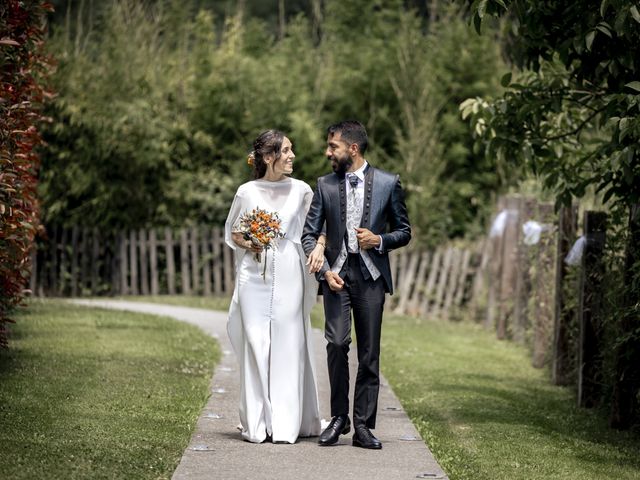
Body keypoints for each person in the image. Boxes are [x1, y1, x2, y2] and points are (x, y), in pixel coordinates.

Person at [302, 120, 411, 449]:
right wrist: (323, 273)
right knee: (336, 344)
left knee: (369, 353)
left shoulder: (389, 183)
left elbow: (404, 231)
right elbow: (309, 234)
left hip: (371, 278)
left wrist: (378, 239)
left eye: (332, 146)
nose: (327, 152)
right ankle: (339, 418)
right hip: (336, 277)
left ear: (353, 148)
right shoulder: (325, 185)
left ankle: (363, 425)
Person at [225, 130, 325, 443]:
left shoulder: (302, 190)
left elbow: (317, 228)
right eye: (286, 150)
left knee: (288, 340)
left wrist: (320, 247)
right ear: (269, 157)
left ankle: (286, 422)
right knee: (256, 341)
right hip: (253, 274)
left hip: (290, 269)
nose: (292, 156)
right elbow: (234, 234)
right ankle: (257, 421)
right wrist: (252, 240)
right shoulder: (246, 191)